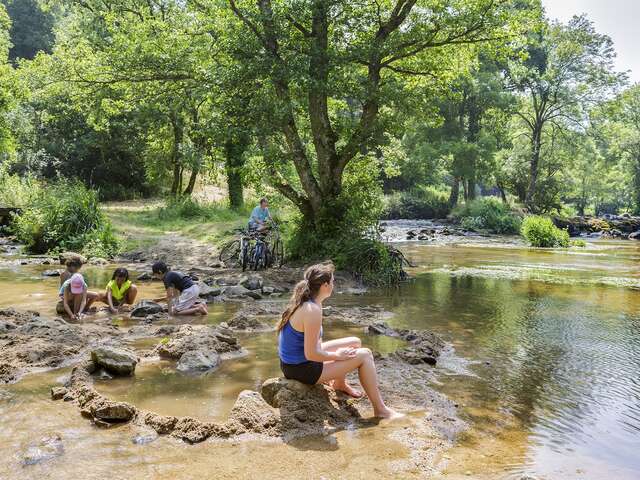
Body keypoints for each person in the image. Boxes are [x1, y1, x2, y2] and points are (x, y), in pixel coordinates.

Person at [277, 262, 402, 419]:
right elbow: (311, 354)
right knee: (365, 355)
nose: (334, 285)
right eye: (333, 281)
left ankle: (339, 384)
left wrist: (335, 356)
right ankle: (381, 410)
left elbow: (315, 343)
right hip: (300, 369)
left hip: (294, 362)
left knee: (355, 342)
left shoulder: (312, 302)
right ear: (324, 285)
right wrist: (337, 355)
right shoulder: (312, 310)